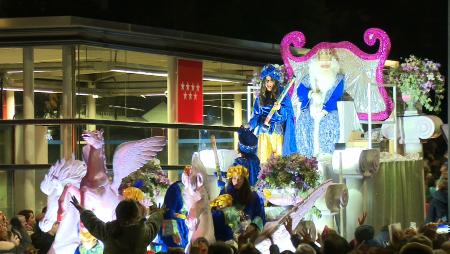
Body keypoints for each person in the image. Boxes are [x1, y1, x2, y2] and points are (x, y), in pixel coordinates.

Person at [70, 196, 164, 254]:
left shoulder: (108, 231)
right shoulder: (143, 233)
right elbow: (154, 223)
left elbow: (93, 222)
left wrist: (81, 210)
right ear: (137, 215)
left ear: (117, 213)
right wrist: (159, 213)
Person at [296, 48, 344, 158]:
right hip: (310, 111)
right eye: (323, 62)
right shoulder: (309, 78)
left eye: (328, 61)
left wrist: (324, 111)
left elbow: (335, 97)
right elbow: (300, 91)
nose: (326, 64)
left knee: (330, 126)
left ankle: (326, 157)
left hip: (328, 112)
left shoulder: (338, 79)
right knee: (304, 123)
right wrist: (311, 94)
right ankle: (308, 159)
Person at [249, 64, 297, 163]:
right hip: (264, 133)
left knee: (279, 163)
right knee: (264, 163)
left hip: (277, 133)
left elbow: (287, 115)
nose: (269, 83)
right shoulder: (259, 98)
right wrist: (250, 125)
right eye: (267, 81)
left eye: (271, 80)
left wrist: (279, 109)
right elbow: (256, 115)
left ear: (275, 81)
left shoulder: (283, 96)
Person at [221, 165, 265, 234]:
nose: (237, 181)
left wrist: (253, 225)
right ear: (231, 179)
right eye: (234, 178)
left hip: (248, 230)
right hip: (229, 230)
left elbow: (259, 214)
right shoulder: (224, 192)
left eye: (240, 178)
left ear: (244, 179)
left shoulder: (253, 195)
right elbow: (218, 210)